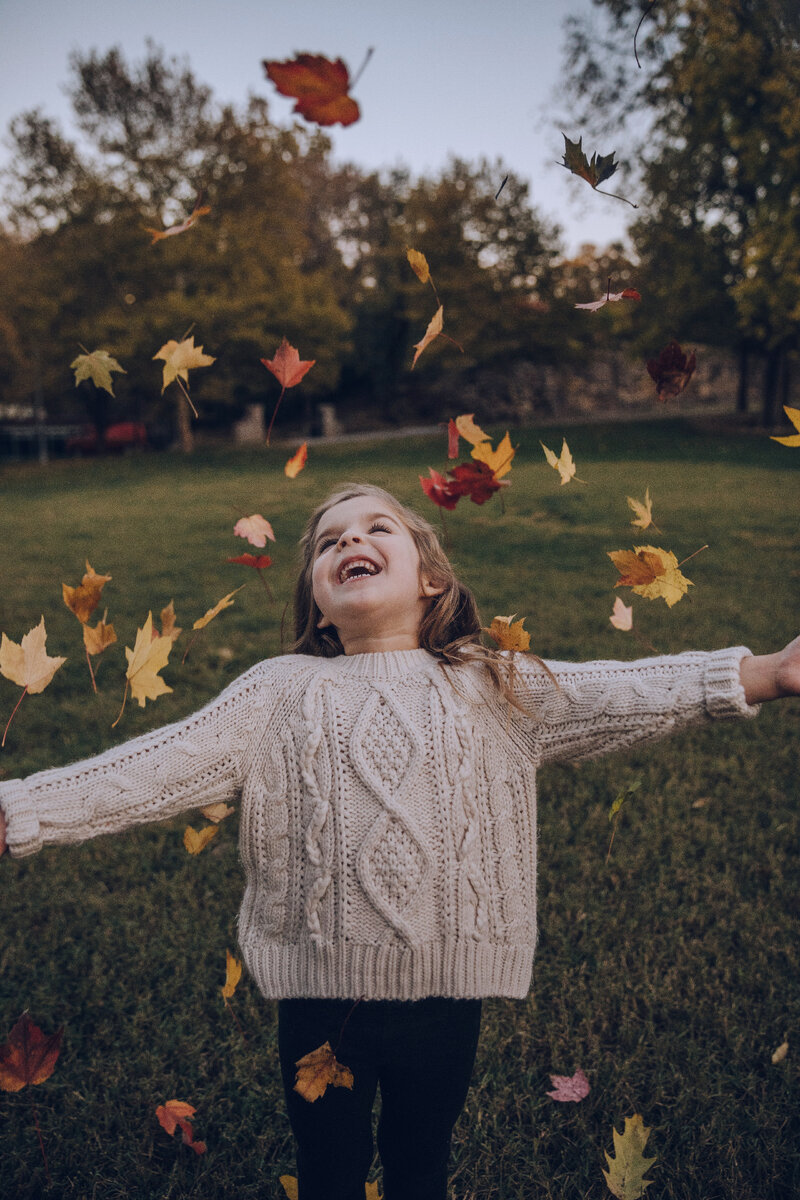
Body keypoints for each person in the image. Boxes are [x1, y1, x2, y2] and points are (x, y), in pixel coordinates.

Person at [1, 482, 797, 1200]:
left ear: (431, 581)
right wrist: (24, 807)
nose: (350, 541)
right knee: (330, 1168)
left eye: (376, 526)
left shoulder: (489, 682)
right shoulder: (278, 692)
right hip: (321, 1003)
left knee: (422, 1158)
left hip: (448, 996)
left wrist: (762, 673)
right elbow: (155, 767)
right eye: (328, 541)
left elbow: (620, 694)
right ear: (315, 601)